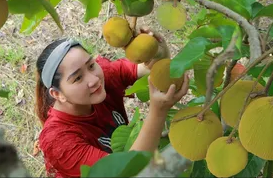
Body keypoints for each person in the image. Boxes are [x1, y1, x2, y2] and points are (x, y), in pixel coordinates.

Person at [34, 28, 190, 178]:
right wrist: (158, 112)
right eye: (77, 78)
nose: (94, 79)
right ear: (57, 94)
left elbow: (147, 69)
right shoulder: (59, 142)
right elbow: (125, 173)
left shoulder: (103, 79)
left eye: (91, 65)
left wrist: (159, 55)